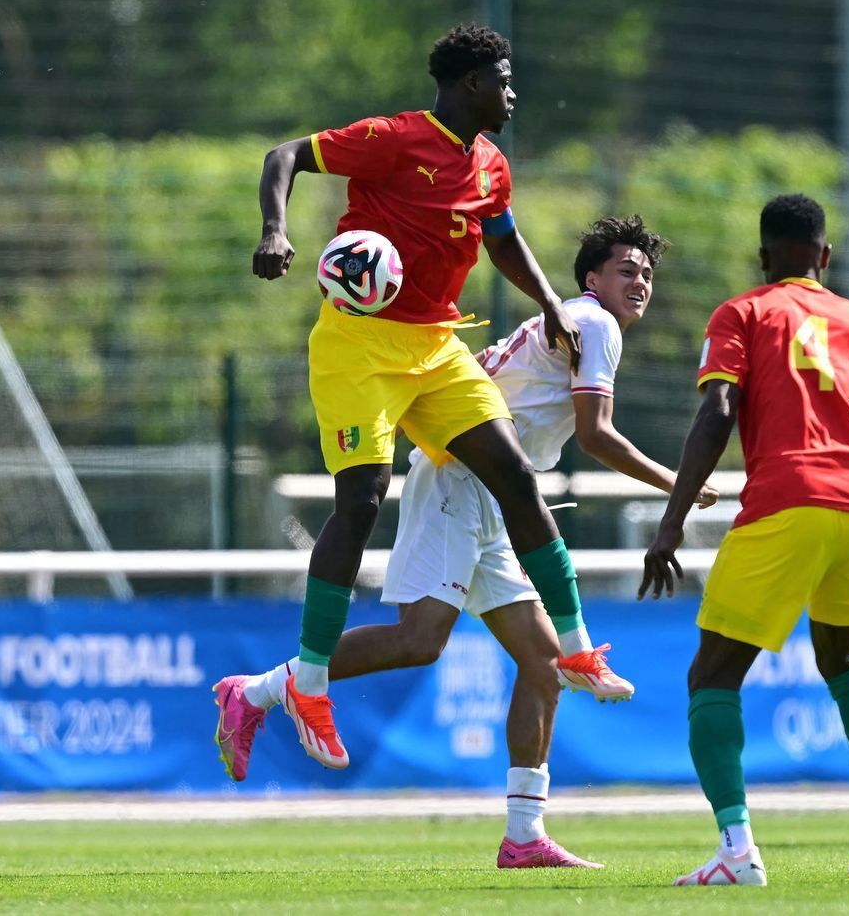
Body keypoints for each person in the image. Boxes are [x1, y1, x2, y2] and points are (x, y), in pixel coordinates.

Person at [215, 25, 615, 776]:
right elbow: (285, 156)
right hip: (359, 344)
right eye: (502, 80)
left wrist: (552, 303)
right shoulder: (395, 139)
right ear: (468, 85)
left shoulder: (492, 163)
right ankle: (305, 682)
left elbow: (501, 239)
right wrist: (275, 230)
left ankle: (576, 646)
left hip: (436, 344)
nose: (512, 93)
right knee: (360, 501)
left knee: (516, 477)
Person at [304, 215, 717, 869]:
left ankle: (524, 834)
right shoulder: (596, 324)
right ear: (591, 279)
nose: (639, 281)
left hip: (496, 496)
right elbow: (596, 434)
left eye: (646, 273)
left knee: (544, 668)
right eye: (625, 270)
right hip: (462, 483)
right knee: (419, 642)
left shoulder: (580, 320)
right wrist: (680, 484)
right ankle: (266, 690)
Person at [640, 194, 849, 887]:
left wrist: (672, 519)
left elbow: (718, 407)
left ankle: (736, 852)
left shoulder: (744, 312)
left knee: (713, 675)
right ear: (825, 256)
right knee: (842, 661)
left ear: (763, 257)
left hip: (790, 499)